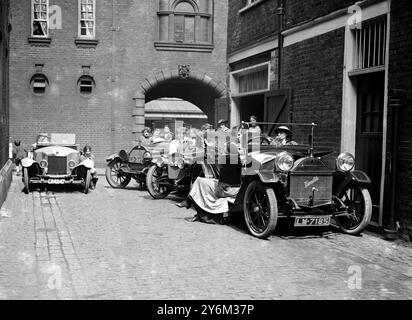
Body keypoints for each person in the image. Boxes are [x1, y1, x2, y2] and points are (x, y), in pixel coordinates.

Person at [184, 141, 242, 223]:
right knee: (202, 182)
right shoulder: (240, 160)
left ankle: (190, 203)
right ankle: (189, 202)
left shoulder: (226, 160)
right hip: (238, 190)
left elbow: (222, 185)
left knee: (200, 183)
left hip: (228, 191)